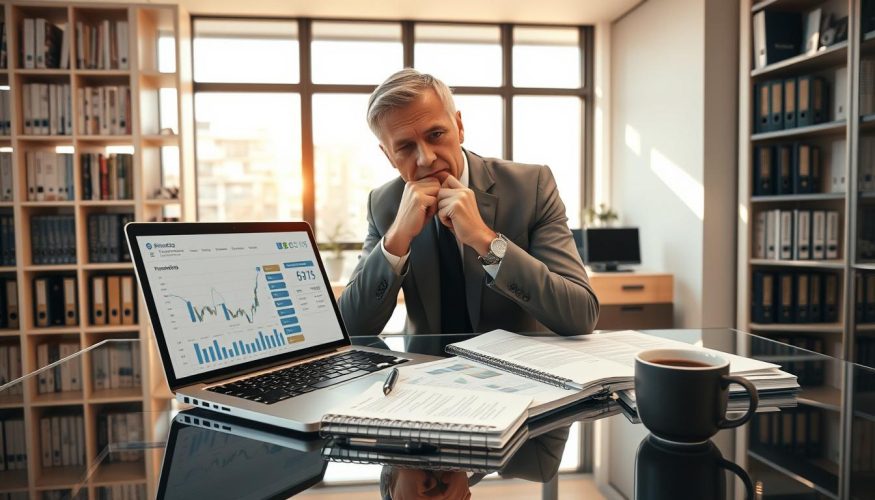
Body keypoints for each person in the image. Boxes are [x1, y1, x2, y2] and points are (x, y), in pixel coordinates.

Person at [338, 68, 598, 337]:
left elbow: (581, 315)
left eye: (435, 134)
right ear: (389, 156)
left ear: (459, 127)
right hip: (422, 371)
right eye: (404, 147)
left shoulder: (531, 187)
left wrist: (486, 241)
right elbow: (349, 328)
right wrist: (396, 239)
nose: (425, 158)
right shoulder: (384, 204)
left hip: (516, 371)